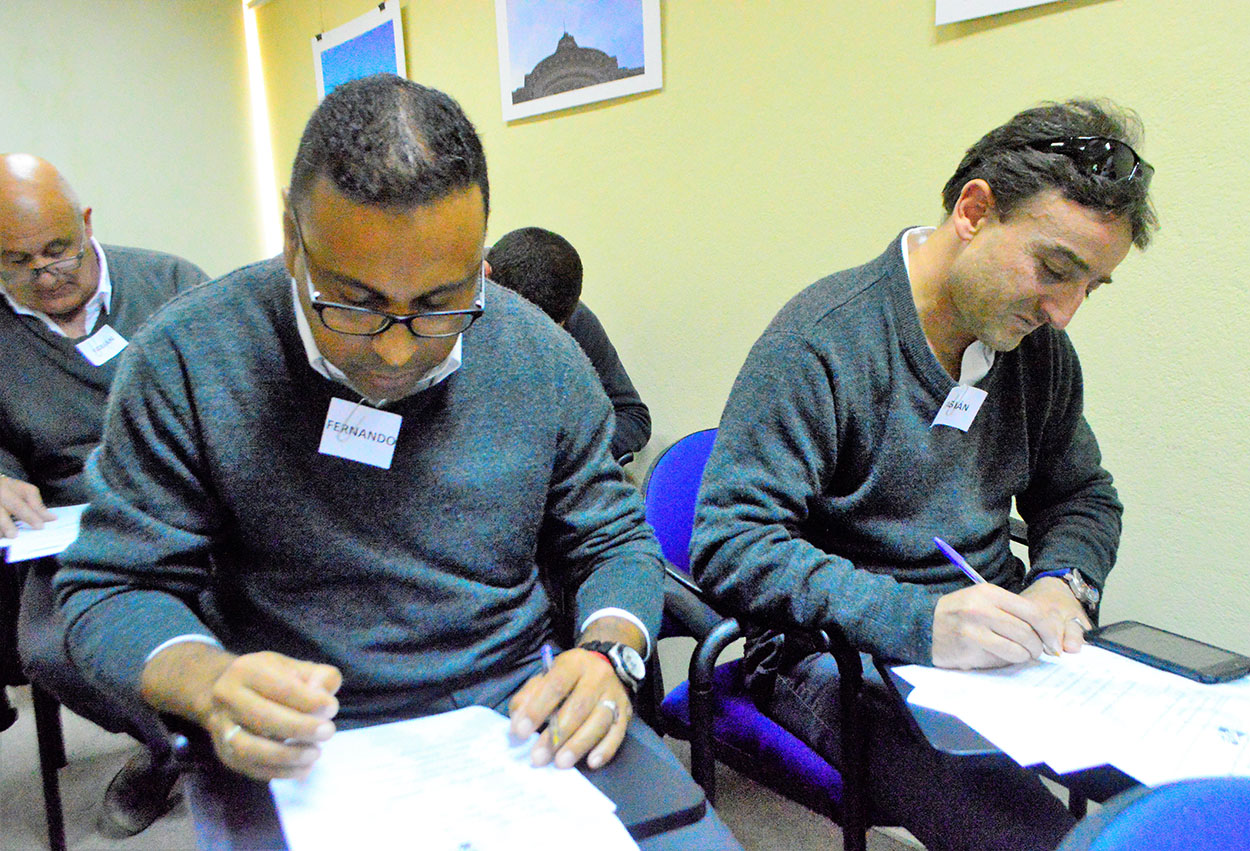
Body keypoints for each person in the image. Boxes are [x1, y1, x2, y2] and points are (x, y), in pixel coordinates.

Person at [55, 76, 738, 847]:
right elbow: (111, 584)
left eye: (441, 304)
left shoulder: (540, 354)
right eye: (355, 303)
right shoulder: (187, 358)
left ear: (481, 259)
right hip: (294, 729)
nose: (395, 350)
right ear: (292, 238)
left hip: (517, 712)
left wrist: (611, 650)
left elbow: (611, 538)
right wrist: (207, 681)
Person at [690, 99, 1157, 851]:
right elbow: (730, 543)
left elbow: (1081, 494)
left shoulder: (1039, 353)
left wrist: (1061, 583)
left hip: (1003, 648)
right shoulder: (822, 341)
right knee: (1035, 839)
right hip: (837, 654)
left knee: (1194, 791)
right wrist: (922, 622)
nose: (1065, 312)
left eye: (1090, 286)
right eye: (1054, 270)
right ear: (974, 211)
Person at [0, 153, 208, 836]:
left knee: (262, 603)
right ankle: (177, 746)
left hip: (190, 511)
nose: (44, 275)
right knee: (48, 648)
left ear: (86, 223)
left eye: (57, 250)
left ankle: (201, 740)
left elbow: (244, 394)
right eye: (15, 262)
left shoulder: (172, 284)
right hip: (71, 529)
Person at [486, 226, 651, 461]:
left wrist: (570, 457)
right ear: (487, 282)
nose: (536, 344)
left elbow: (632, 416)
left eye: (552, 333)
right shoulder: (443, 315)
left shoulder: (574, 318)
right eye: (524, 330)